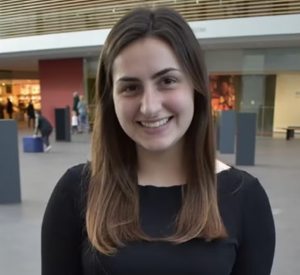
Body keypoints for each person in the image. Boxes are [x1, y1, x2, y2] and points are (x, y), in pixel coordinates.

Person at [42, 8, 275, 275]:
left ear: (195, 87)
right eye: (131, 87)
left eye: (167, 81)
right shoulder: (75, 191)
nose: (150, 107)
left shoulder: (244, 196)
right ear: (111, 100)